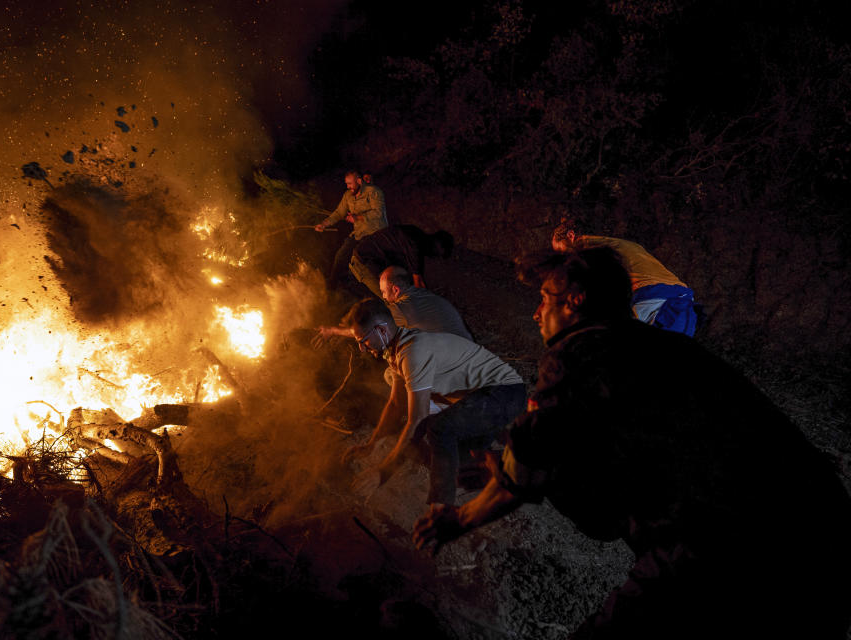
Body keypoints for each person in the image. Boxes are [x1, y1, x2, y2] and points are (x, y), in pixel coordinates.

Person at [413, 248, 851, 639]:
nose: (536, 312)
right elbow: (597, 499)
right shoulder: (668, 350)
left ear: (575, 301)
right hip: (826, 534)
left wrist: (459, 518)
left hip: (730, 546)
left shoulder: (578, 355)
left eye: (544, 297)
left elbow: (524, 471)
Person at [344, 298, 525, 506]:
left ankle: (441, 508)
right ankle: (506, 461)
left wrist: (382, 472)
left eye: (363, 340)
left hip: (504, 394)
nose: (361, 348)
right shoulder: (397, 350)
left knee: (438, 429)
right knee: (447, 462)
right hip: (478, 401)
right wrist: (371, 445)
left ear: (381, 330)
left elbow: (417, 418)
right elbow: (395, 404)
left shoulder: (413, 352)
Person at [551, 218, 697, 336]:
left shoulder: (585, 247)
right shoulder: (625, 246)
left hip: (655, 302)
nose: (562, 256)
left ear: (570, 235)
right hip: (682, 302)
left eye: (560, 249)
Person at [315, 170, 388, 289]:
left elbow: (378, 213)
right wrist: (324, 224)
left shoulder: (374, 192)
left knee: (365, 263)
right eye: (346, 184)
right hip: (358, 234)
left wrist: (357, 217)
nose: (348, 187)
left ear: (359, 181)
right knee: (341, 255)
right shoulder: (348, 195)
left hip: (376, 234)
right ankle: (332, 285)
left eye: (350, 184)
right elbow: (339, 213)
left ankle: (381, 290)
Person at [349, 224, 454, 293]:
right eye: (436, 255)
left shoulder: (417, 236)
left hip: (375, 261)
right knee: (392, 299)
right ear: (435, 247)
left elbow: (415, 278)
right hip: (363, 261)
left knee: (400, 293)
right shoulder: (415, 247)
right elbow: (418, 284)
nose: (434, 258)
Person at [379, 265, 472, 341]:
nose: (383, 297)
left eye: (384, 292)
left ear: (396, 290)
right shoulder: (419, 294)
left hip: (461, 355)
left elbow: (377, 321)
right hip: (467, 346)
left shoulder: (405, 307)